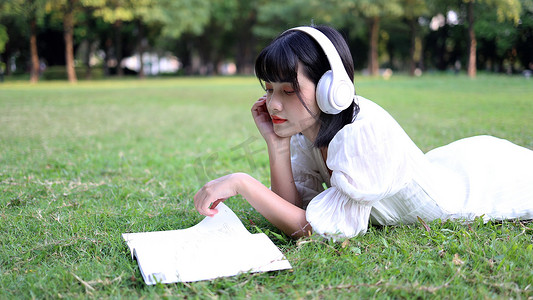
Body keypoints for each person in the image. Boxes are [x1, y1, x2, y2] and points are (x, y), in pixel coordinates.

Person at [194, 25, 533, 239]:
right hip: (447, 164)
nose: (273, 104)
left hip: (480, 187)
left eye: (288, 90)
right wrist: (276, 144)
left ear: (332, 88)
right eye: (269, 89)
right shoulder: (308, 128)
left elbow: (311, 230)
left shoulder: (361, 134)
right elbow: (289, 207)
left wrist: (242, 182)